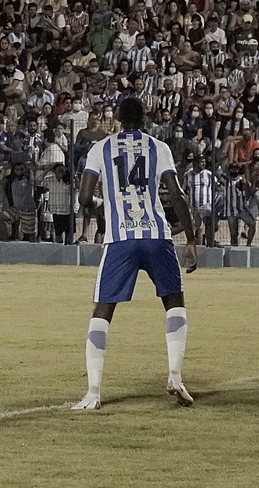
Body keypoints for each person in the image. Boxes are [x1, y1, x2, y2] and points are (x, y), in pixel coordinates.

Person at [72, 97, 198, 410]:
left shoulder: (101, 148)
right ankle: (175, 375)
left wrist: (104, 204)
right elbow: (177, 195)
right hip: (156, 235)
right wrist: (192, 239)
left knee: (103, 310)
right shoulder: (159, 147)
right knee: (173, 302)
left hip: (120, 239)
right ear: (145, 118)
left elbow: (85, 197)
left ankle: (93, 391)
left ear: (117, 118)